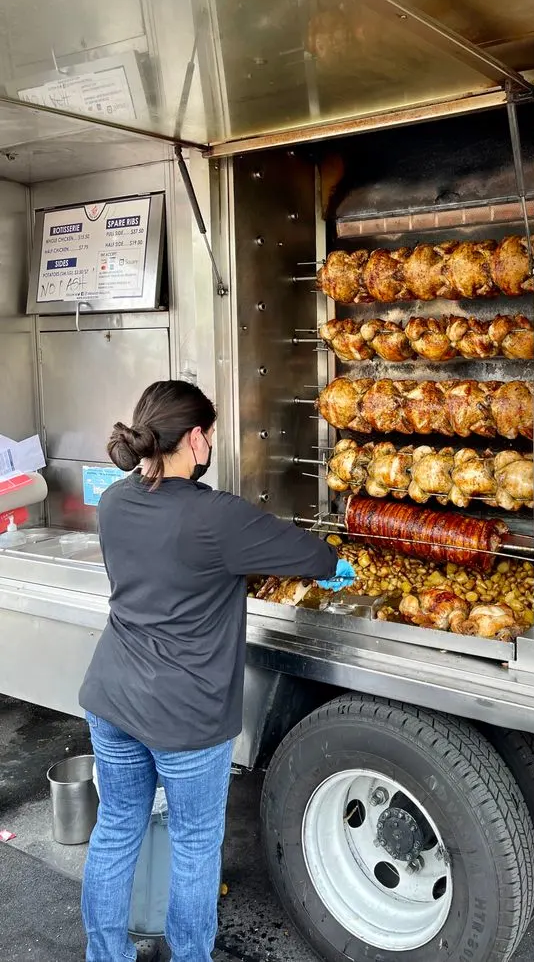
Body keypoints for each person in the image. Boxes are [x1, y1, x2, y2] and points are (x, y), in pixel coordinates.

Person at [78, 380, 354, 962]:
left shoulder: (113, 501)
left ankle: (105, 956)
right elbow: (305, 553)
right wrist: (332, 565)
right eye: (210, 438)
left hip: (112, 696)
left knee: (116, 830)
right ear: (196, 438)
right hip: (186, 712)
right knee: (195, 843)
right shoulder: (215, 515)